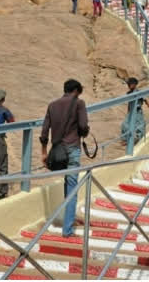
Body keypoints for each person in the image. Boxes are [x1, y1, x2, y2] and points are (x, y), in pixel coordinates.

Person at [40, 79, 89, 238]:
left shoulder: (52, 105)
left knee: (68, 184)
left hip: (57, 151)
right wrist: (85, 132)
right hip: (73, 148)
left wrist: (44, 152)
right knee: (72, 188)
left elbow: (44, 130)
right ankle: (67, 229)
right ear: (76, 90)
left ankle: (68, 219)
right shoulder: (79, 103)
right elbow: (82, 126)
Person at [120, 77, 149, 144]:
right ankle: (126, 139)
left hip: (138, 111)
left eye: (129, 84)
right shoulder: (129, 93)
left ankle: (137, 138)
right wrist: (128, 112)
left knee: (140, 126)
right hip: (131, 111)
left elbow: (146, 100)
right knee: (124, 124)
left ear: (134, 84)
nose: (128, 85)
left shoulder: (139, 92)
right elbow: (129, 103)